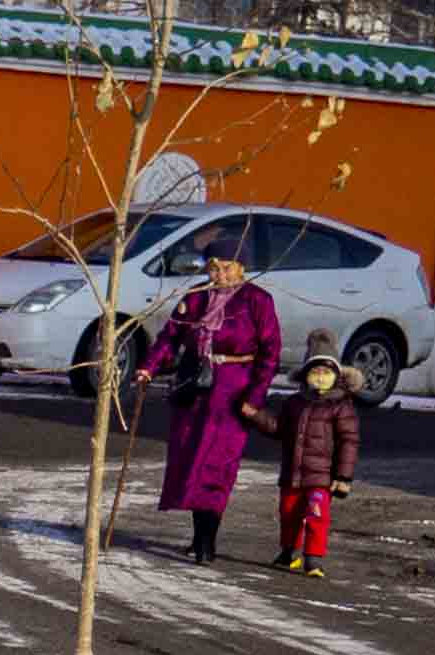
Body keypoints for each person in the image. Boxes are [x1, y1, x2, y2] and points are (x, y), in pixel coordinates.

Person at [139, 238, 280, 564]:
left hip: (231, 392)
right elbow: (170, 336)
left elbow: (270, 354)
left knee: (216, 466)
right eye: (214, 268)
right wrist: (148, 367)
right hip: (194, 386)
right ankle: (197, 537)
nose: (220, 274)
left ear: (241, 268)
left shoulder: (257, 300)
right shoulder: (196, 297)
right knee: (191, 461)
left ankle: (207, 542)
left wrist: (255, 397)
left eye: (227, 267)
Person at [268, 336, 359, 576]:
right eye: (315, 372)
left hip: (322, 476)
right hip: (293, 473)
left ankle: (313, 559)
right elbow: (279, 428)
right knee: (289, 513)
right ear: (305, 375)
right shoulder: (295, 402)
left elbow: (349, 441)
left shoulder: (341, 406)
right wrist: (255, 415)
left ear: (336, 376)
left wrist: (344, 476)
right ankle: (288, 552)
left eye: (326, 372)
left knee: (317, 515)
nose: (320, 377)